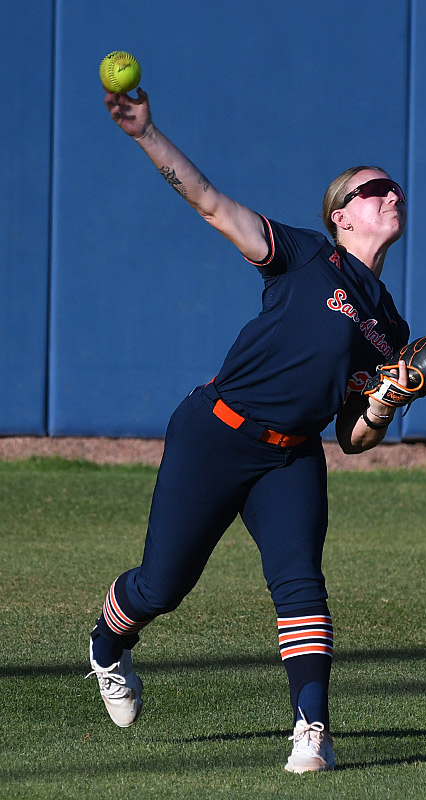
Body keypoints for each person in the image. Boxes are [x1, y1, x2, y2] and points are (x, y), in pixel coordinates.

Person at [87, 86, 409, 774]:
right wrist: (145, 133)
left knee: (299, 584)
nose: (391, 194)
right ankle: (107, 648)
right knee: (160, 588)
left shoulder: (392, 331)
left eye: (394, 188)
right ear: (340, 216)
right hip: (216, 432)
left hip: (290, 458)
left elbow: (353, 437)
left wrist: (386, 398)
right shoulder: (303, 255)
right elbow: (208, 201)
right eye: (374, 187)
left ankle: (312, 731)